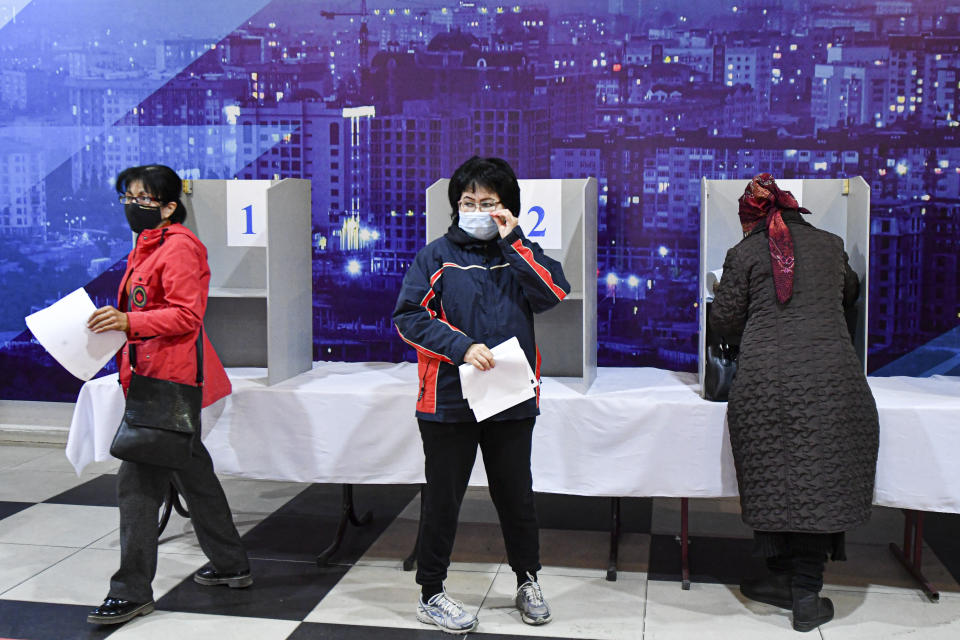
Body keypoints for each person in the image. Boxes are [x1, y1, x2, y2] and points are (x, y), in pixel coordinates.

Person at [393, 156, 570, 633]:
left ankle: (527, 580)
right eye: (467, 201)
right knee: (442, 500)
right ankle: (431, 593)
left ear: (506, 207)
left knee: (516, 497)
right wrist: (462, 347)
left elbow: (554, 292)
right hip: (447, 400)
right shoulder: (437, 255)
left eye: (487, 202)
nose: (475, 209)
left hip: (510, 397)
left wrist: (514, 241)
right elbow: (408, 316)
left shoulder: (519, 254)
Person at [709, 173, 879, 633]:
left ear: (753, 215)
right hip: (833, 382)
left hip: (766, 386)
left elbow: (724, 320)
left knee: (778, 479)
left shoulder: (744, 253)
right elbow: (850, 293)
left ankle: (791, 584)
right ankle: (803, 591)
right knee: (818, 482)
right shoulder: (830, 244)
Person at [86, 165, 252, 626]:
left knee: (136, 486)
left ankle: (131, 591)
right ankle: (231, 564)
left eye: (142, 199)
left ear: (168, 207)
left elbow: (185, 316)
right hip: (155, 379)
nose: (132, 206)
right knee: (193, 473)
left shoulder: (179, 249)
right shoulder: (146, 245)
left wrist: (127, 322)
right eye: (128, 198)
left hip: (169, 384)